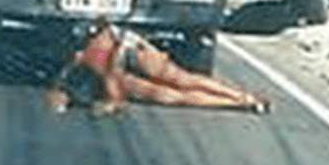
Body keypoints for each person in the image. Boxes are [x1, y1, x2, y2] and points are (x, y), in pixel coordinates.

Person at [43, 16, 270, 116]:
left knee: (180, 87)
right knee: (178, 89)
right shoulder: (81, 60)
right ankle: (240, 100)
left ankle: (241, 99)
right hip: (128, 57)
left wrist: (110, 104)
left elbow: (113, 88)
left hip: (131, 54)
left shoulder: (92, 57)